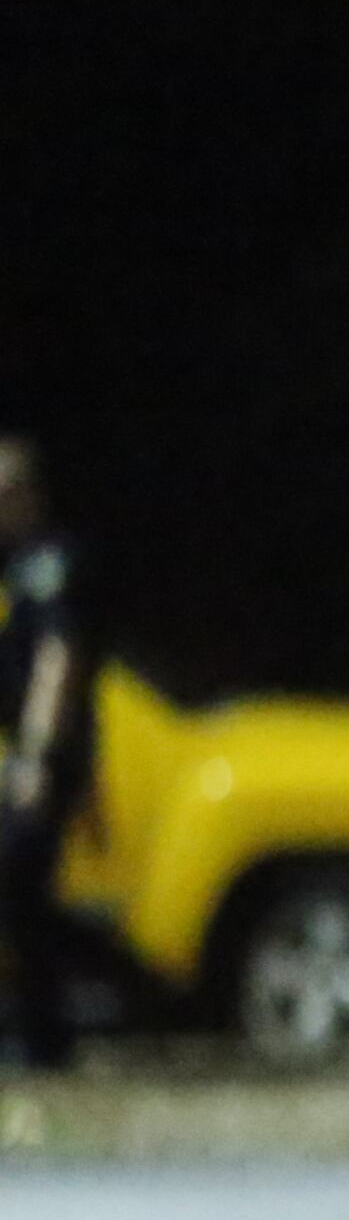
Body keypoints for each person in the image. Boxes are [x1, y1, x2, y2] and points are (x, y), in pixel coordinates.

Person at [0, 438, 98, 1074]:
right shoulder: (15, 567)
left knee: (18, 885)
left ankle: (47, 1038)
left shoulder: (51, 563)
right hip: (29, 758)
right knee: (23, 894)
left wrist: (35, 755)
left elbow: (57, 663)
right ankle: (42, 1035)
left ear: (27, 494)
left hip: (49, 759)